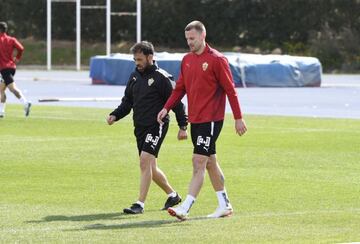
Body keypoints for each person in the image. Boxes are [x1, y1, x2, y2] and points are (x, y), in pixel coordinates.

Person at [157, 20, 247, 220]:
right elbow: (180, 88)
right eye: (187, 38)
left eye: (192, 38)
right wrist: (166, 108)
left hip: (212, 119)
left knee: (198, 161)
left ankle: (185, 207)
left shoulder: (217, 60)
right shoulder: (187, 60)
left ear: (202, 36)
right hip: (196, 120)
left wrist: (238, 118)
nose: (189, 42)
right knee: (210, 162)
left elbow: (231, 90)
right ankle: (225, 205)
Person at [107, 41, 188, 214]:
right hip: (140, 127)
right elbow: (127, 102)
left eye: (140, 59)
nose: (137, 62)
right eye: (135, 59)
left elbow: (177, 103)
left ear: (150, 57)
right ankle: (173, 195)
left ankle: (139, 204)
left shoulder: (162, 77)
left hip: (156, 125)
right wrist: (115, 115)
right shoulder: (134, 76)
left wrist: (183, 126)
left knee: (144, 161)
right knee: (150, 167)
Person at [0, 22, 31, 118]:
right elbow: (21, 48)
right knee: (1, 89)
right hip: (12, 67)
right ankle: (1, 112)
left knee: (12, 89)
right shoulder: (11, 39)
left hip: (3, 68)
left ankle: (25, 102)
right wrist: (17, 58)